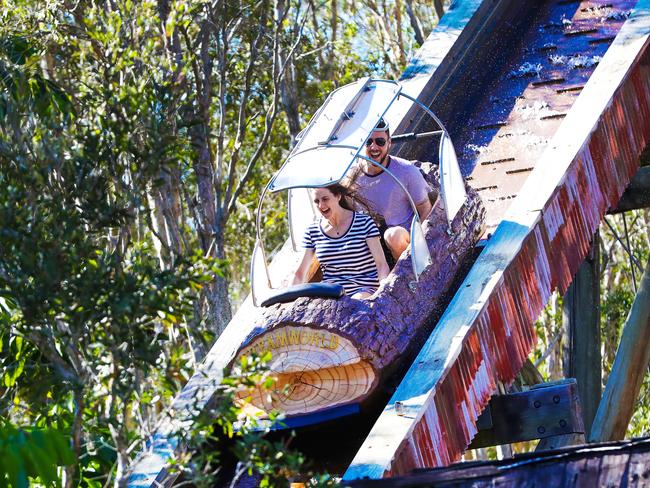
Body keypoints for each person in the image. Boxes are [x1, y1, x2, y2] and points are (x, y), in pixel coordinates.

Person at [291, 184, 389, 299]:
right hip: (330, 293)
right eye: (316, 201)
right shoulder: (312, 231)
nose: (321, 205)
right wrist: (287, 303)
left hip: (363, 289)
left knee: (353, 305)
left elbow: (381, 264)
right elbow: (300, 273)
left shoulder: (364, 222)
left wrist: (383, 291)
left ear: (338, 196)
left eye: (325, 199)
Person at [353, 119, 433, 260]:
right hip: (375, 241)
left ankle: (404, 273)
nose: (373, 147)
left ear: (389, 143)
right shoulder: (353, 178)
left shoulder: (406, 170)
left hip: (404, 239)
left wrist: (422, 244)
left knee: (392, 235)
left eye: (380, 142)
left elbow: (425, 209)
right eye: (368, 142)